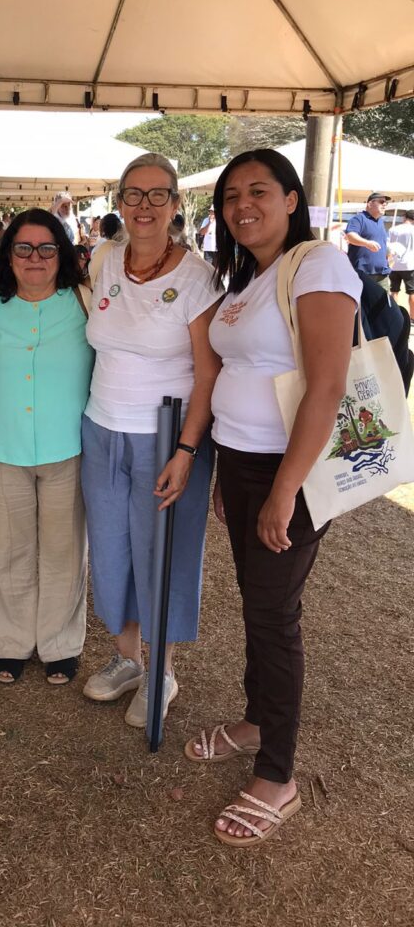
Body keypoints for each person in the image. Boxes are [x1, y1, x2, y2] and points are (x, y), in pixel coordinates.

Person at [185, 149, 361, 847]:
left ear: (293, 199)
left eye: (258, 190)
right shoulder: (251, 277)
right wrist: (234, 472)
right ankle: (257, 720)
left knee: (274, 615)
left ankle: (277, 775)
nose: (240, 205)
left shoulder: (316, 263)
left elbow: (326, 386)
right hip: (243, 464)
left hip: (291, 472)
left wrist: (284, 490)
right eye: (230, 197)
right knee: (260, 609)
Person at [80, 153, 222, 729]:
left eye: (156, 195)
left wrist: (187, 451)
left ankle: (161, 670)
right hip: (100, 428)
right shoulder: (104, 259)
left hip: (166, 437)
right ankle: (126, 659)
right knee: (111, 551)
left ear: (176, 204)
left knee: (162, 553)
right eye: (132, 195)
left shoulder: (198, 277)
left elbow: (208, 372)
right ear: (119, 202)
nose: (143, 206)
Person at [0, 209, 94, 685]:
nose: (35, 258)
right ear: (8, 255)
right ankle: (11, 644)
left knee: (64, 551)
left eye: (47, 248)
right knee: (10, 551)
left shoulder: (84, 303)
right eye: (24, 248)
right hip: (2, 451)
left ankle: (60, 645)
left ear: (63, 255)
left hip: (68, 452)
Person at [344, 192, 391, 290]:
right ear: (369, 203)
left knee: (384, 304)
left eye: (386, 203)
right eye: (381, 202)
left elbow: (382, 243)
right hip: (363, 272)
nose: (385, 205)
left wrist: (388, 253)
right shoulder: (358, 219)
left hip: (382, 273)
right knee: (362, 304)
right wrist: (367, 243)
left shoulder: (381, 222)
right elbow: (350, 236)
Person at [388, 210, 414, 319]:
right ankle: (412, 317)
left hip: (394, 264)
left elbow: (389, 247)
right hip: (410, 264)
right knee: (412, 292)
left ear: (404, 217)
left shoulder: (393, 229)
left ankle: (394, 316)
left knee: (394, 291)